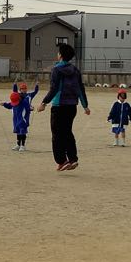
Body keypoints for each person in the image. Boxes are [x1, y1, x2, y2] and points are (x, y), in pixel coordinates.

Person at [37, 43, 91, 171]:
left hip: (59, 106)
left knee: (57, 134)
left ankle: (62, 161)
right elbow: (80, 89)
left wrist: (44, 103)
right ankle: (73, 159)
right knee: (67, 132)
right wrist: (85, 106)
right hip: (72, 107)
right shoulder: (75, 70)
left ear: (60, 55)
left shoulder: (56, 69)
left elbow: (54, 89)